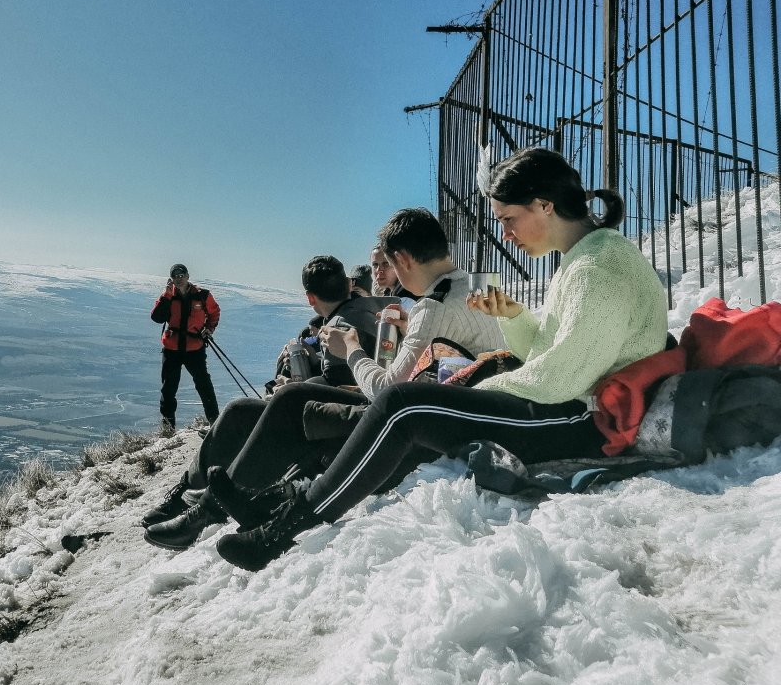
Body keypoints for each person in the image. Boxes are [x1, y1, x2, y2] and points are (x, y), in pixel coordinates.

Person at [214, 148, 668, 571]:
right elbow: (549, 352)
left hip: (584, 419)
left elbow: (560, 380)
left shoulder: (596, 269)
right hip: (569, 401)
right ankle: (278, 504)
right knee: (412, 407)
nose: (506, 234)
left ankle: (282, 530)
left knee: (406, 405)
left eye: (509, 219)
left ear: (544, 205)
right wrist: (513, 317)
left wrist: (475, 391)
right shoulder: (582, 259)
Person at [144, 212, 505, 550]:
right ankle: (213, 504)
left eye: (391, 264)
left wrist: (350, 349)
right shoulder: (482, 289)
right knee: (291, 400)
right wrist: (410, 333)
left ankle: (209, 508)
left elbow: (389, 393)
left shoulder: (431, 306)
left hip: (421, 419)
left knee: (291, 402)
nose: (389, 273)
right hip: (455, 403)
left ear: (405, 260)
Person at [141, 256, 382, 546]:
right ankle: (191, 493)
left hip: (324, 419)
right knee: (237, 409)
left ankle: (201, 507)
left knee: (242, 411)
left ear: (309, 298)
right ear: (347, 285)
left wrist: (298, 386)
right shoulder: (365, 311)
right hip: (330, 409)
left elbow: (345, 384)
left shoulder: (344, 324)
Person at [150, 263, 220, 432]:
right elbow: (157, 318)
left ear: (188, 276)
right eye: (175, 276)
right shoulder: (168, 297)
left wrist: (209, 329)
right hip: (172, 349)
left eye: (182, 275)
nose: (179, 278)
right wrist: (166, 296)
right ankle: (168, 429)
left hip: (194, 348)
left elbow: (214, 312)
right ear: (171, 279)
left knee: (204, 384)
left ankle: (215, 422)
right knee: (168, 389)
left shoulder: (202, 295)